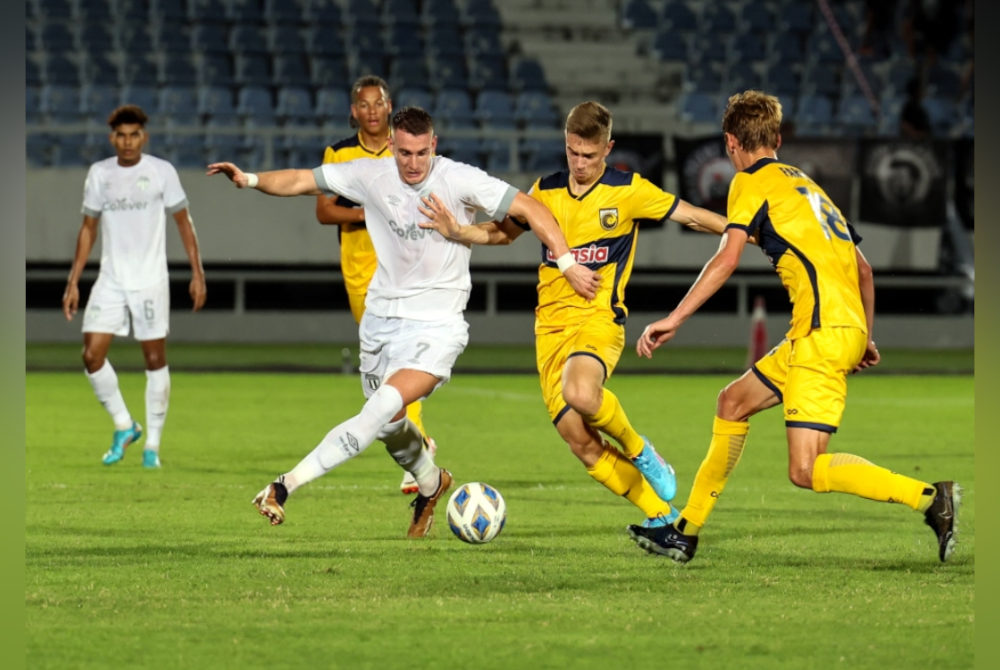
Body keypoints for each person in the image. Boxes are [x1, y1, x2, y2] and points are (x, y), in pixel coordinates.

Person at [207, 106, 600, 538]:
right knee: (389, 427)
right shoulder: (369, 174)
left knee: (379, 410)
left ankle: (284, 485)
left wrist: (566, 262)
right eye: (404, 153)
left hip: (438, 326)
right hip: (380, 322)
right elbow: (303, 180)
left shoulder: (459, 178)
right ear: (392, 146)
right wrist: (249, 180)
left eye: (421, 153)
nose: (413, 164)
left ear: (434, 145)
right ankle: (432, 484)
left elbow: (531, 208)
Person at [627, 90, 961, 563]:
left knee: (805, 470)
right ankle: (684, 532)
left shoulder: (748, 182)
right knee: (732, 402)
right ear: (778, 139)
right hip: (830, 330)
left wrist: (674, 317)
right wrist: (863, 335)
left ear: (730, 143)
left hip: (820, 337)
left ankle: (930, 499)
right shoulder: (807, 184)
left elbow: (726, 258)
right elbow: (863, 270)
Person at [419, 101, 728, 531]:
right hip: (549, 330)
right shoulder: (545, 191)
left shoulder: (629, 190)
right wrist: (458, 231)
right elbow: (503, 233)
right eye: (572, 152)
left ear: (609, 148)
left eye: (589, 155)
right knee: (580, 442)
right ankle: (660, 518)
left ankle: (641, 450)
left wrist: (744, 232)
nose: (580, 164)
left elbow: (692, 217)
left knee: (582, 394)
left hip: (598, 320)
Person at [62, 104, 207, 468]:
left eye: (134, 135)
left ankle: (152, 448)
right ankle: (125, 426)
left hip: (149, 280)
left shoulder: (161, 172)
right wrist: (73, 281)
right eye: (121, 136)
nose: (127, 142)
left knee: (155, 359)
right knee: (91, 355)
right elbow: (88, 228)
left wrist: (197, 272)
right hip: (111, 279)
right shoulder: (100, 174)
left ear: (144, 136)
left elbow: (183, 222)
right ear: (113, 138)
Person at [316, 75, 437, 496]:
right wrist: (371, 212)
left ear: (390, 108)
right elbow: (324, 211)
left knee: (404, 358)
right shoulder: (340, 153)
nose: (370, 110)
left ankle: (418, 449)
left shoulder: (405, 151)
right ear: (353, 111)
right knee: (388, 365)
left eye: (378, 103)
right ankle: (415, 443)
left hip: (403, 267)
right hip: (359, 268)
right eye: (362, 104)